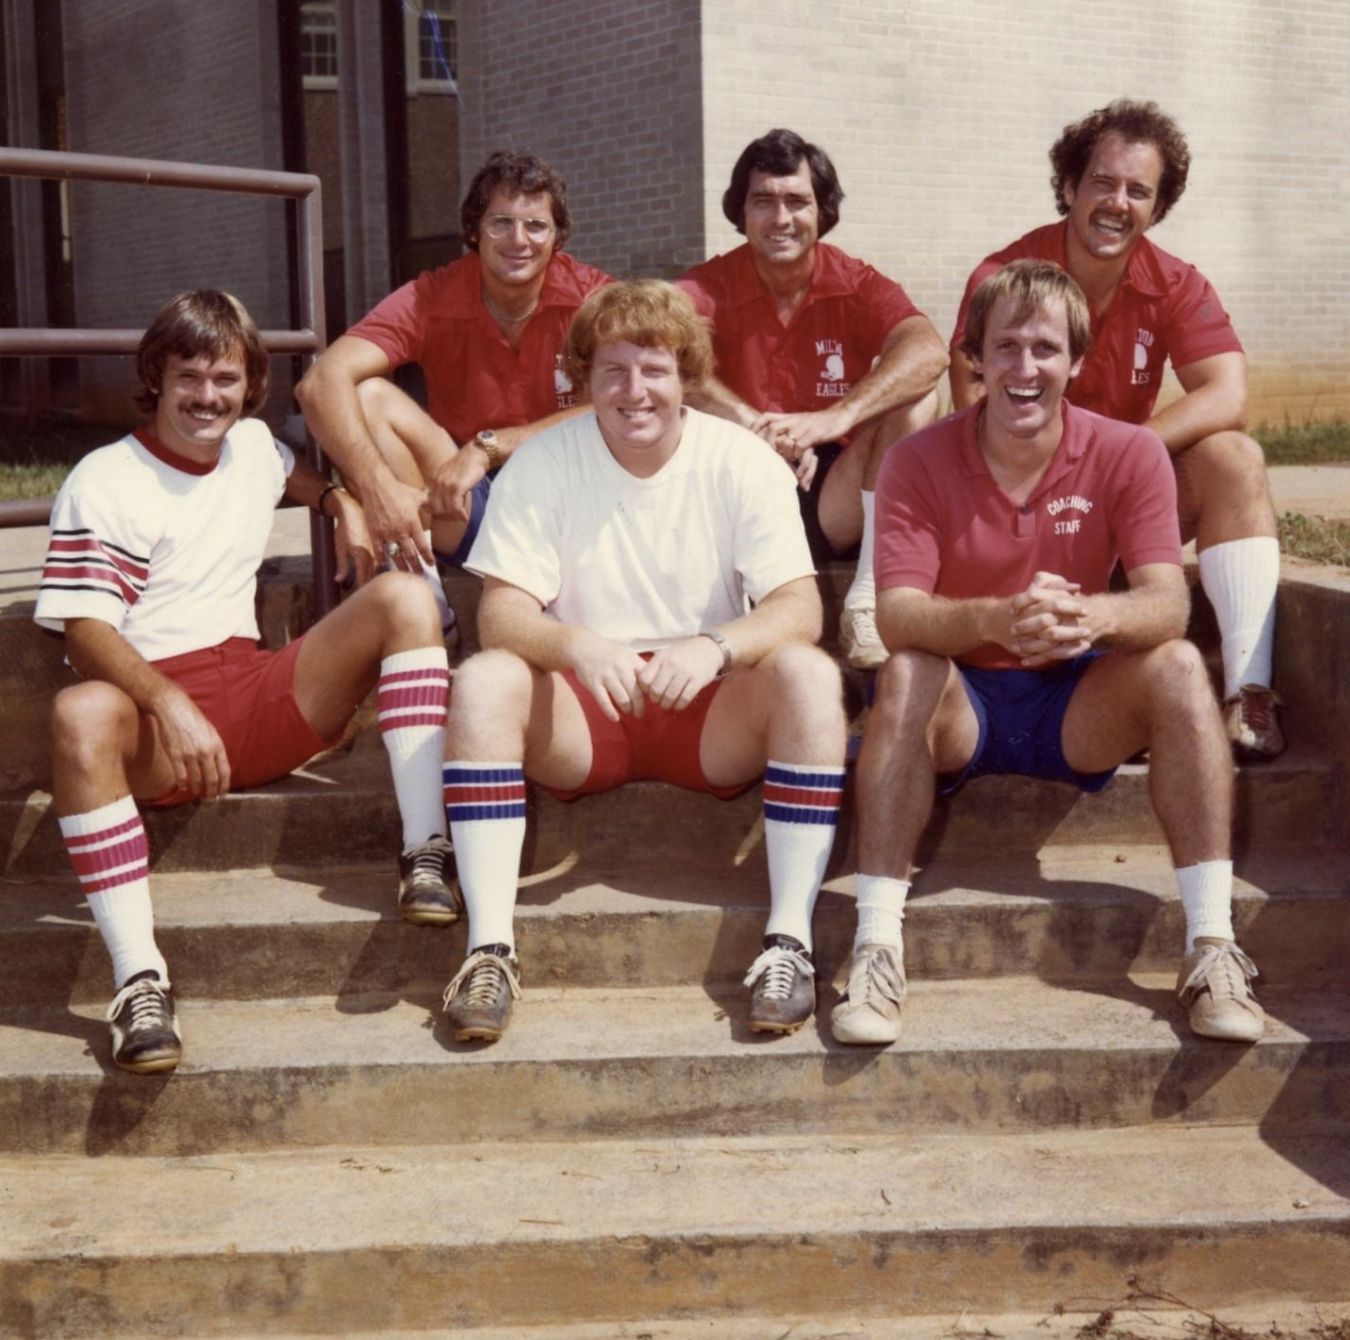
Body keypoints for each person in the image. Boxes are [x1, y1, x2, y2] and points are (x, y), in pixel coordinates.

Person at [834, 260, 1263, 1049]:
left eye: (1045, 349)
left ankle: (1211, 945)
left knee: (1176, 664)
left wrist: (1091, 618)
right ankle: (875, 947)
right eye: (1005, 348)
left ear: (1076, 362)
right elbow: (896, 616)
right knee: (906, 668)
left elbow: (1167, 603)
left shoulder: (1128, 452)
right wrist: (996, 619)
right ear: (975, 359)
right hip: (963, 702)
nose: (1024, 369)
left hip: (1074, 700)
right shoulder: (917, 459)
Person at [36, 291, 455, 1075]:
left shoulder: (252, 444)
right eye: (188, 377)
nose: (208, 397)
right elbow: (85, 632)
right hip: (160, 727)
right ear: (155, 378)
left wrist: (338, 500)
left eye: (226, 379)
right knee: (80, 711)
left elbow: (287, 468)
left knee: (403, 598)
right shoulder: (105, 479)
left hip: (255, 696)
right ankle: (139, 982)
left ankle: (425, 851)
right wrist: (167, 701)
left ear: (251, 385)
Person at [438, 280, 848, 1042]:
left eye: (655, 370)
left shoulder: (740, 458)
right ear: (583, 379)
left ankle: (789, 942)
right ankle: (488, 950)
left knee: (810, 673)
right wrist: (576, 644)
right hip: (587, 706)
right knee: (485, 678)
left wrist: (716, 645)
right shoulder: (543, 461)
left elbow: (800, 608)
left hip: (706, 705)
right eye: (613, 371)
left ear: (686, 375)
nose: (635, 392)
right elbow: (499, 615)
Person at [949, 100, 1283, 759]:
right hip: (1018, 508)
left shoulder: (1174, 281)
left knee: (1235, 458)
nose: (1117, 204)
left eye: (1138, 190)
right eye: (1102, 182)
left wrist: (1125, 453)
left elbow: (1229, 393)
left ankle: (1249, 693)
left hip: (1114, 505)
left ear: (1158, 206)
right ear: (1069, 186)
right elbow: (978, 411)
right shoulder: (1006, 277)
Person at [295, 149, 612, 618]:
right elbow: (320, 382)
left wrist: (489, 447)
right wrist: (376, 490)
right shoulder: (435, 294)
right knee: (370, 396)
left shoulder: (592, 296)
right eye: (500, 223)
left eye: (536, 225)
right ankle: (426, 601)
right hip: (465, 506)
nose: (518, 240)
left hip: (569, 505)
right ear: (474, 231)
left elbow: (628, 399)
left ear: (558, 237)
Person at [677, 129, 949, 671]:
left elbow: (928, 351)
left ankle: (867, 600)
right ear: (741, 211)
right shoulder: (711, 284)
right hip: (738, 487)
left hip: (832, 491)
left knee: (920, 399)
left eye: (797, 201)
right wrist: (756, 427)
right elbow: (659, 345)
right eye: (763, 201)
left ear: (822, 211)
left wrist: (831, 419)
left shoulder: (854, 281)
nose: (781, 218)